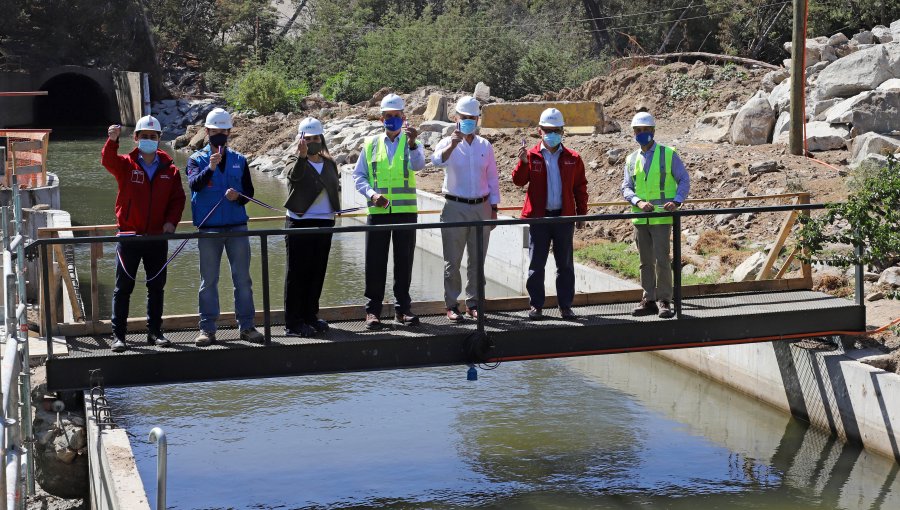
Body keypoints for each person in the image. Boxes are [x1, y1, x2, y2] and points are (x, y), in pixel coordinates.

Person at [102, 116, 186, 353]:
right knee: (123, 288)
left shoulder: (170, 169)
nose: (149, 140)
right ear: (136, 138)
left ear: (159, 139)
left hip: (157, 238)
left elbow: (178, 199)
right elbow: (108, 161)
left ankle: (155, 333)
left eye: (153, 136)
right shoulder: (126, 165)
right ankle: (118, 336)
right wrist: (112, 140)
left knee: (156, 287)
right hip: (129, 236)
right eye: (144, 136)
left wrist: (171, 222)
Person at [186, 108, 265, 345]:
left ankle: (247, 327)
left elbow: (249, 193)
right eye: (214, 131)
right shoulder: (196, 160)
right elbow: (194, 185)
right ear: (207, 132)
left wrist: (238, 196)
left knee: (243, 279)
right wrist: (210, 168)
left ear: (229, 132)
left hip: (237, 228)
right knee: (208, 280)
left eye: (223, 131)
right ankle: (207, 329)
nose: (219, 135)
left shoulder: (240, 160)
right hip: (209, 230)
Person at [352, 93, 425, 329]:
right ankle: (373, 312)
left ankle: (402, 310)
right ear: (381, 118)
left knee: (404, 262)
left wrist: (413, 144)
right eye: (388, 116)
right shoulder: (371, 144)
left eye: (396, 115)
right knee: (375, 262)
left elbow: (418, 166)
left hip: (405, 212)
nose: (392, 119)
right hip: (379, 211)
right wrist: (372, 195)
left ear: (403, 118)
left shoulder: (411, 142)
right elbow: (359, 176)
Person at [512, 108, 588, 321]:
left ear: (562, 131)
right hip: (540, 218)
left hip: (564, 218)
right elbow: (518, 181)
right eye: (548, 130)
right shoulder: (531, 156)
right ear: (540, 131)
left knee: (565, 264)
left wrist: (581, 214)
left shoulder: (573, 157)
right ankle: (536, 305)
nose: (552, 134)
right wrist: (523, 164)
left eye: (556, 130)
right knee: (537, 263)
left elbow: (580, 187)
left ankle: (565, 306)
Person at [431, 96, 499, 322]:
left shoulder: (485, 146)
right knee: (453, 260)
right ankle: (451, 304)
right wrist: (452, 145)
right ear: (456, 118)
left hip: (481, 207)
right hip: (454, 206)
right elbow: (436, 161)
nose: (469, 121)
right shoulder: (447, 142)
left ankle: (474, 303)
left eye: (472, 118)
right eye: (464, 117)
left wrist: (494, 208)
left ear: (478, 119)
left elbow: (492, 179)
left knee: (477, 259)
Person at [621, 111, 690, 319]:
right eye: (637, 130)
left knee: (662, 261)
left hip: (661, 218)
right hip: (641, 218)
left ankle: (664, 301)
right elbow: (626, 187)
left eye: (645, 130)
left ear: (653, 131)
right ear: (634, 133)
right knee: (645, 262)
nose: (641, 133)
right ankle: (648, 299)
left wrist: (677, 201)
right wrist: (638, 202)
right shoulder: (631, 159)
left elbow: (684, 180)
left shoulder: (668, 154)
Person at [282, 117, 340, 337]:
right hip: (299, 222)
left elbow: (333, 187)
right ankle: (293, 322)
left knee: (317, 271)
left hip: (324, 222)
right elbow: (294, 178)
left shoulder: (330, 163)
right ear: (300, 140)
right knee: (297, 273)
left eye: (316, 138)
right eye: (308, 138)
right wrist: (302, 156)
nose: (313, 141)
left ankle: (310, 315)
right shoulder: (293, 160)